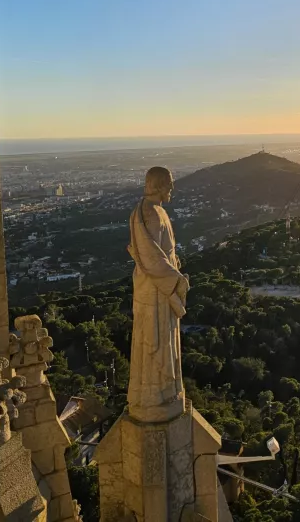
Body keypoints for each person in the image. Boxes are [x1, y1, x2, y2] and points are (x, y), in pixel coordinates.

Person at [125, 166, 189, 422]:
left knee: (162, 338)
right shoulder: (150, 213)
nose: (172, 189)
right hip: (155, 290)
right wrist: (177, 279)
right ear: (159, 185)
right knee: (156, 340)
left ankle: (165, 391)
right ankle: (155, 396)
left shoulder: (154, 210)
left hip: (157, 288)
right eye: (169, 184)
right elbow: (152, 260)